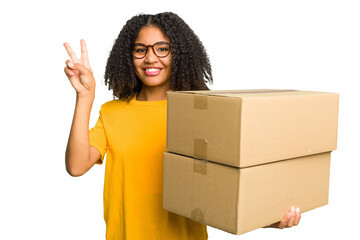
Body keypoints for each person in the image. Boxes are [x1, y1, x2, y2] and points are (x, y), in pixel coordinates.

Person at [63, 12, 300, 240]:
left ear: (180, 54)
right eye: (140, 50)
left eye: (163, 48)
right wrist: (85, 96)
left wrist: (269, 218)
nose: (150, 58)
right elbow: (76, 166)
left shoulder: (200, 113)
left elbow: (224, 185)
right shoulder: (112, 113)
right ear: (128, 56)